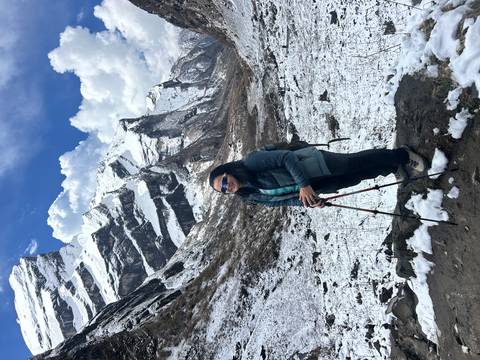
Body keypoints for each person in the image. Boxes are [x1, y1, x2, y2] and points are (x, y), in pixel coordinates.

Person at [209, 143, 425, 207]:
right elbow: (282, 202)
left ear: (227, 171)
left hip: (316, 164)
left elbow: (286, 157)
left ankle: (402, 155)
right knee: (355, 178)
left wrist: (303, 185)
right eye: (224, 189)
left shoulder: (251, 163)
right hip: (317, 186)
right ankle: (391, 167)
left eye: (225, 181)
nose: (229, 186)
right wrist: (309, 202)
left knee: (355, 162)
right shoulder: (251, 195)